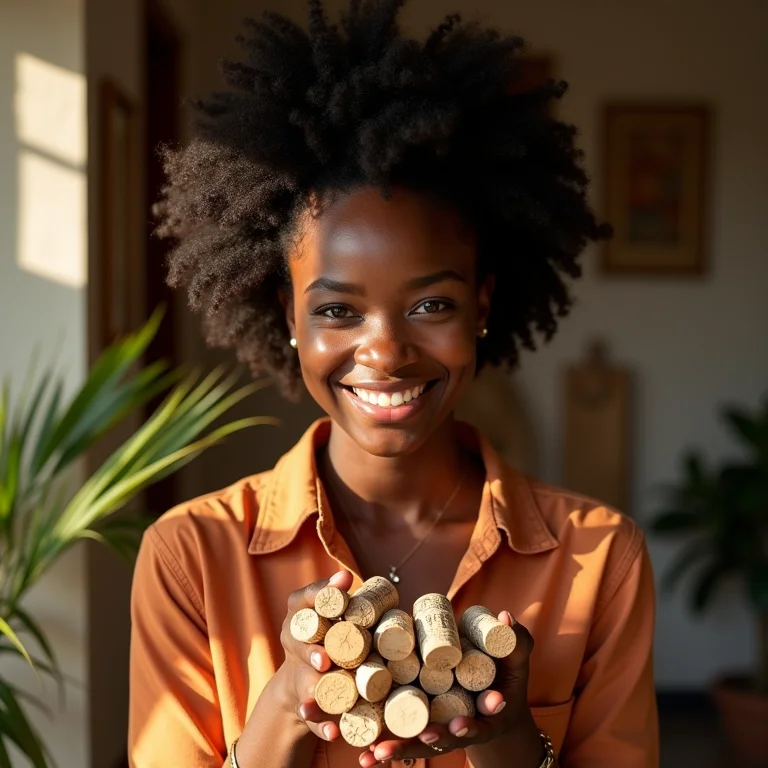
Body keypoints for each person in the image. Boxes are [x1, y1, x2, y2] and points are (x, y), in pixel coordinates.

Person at [128, 1, 658, 767]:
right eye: (339, 309)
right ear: (289, 316)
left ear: (481, 307)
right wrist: (285, 705)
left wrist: (510, 738)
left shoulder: (600, 559)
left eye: (431, 305)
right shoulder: (192, 555)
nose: (385, 350)